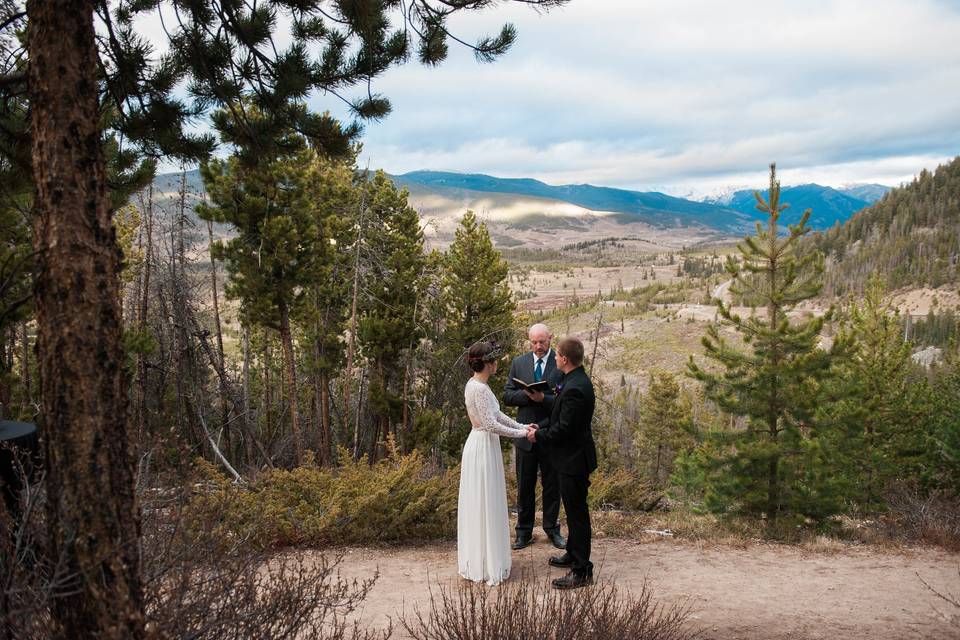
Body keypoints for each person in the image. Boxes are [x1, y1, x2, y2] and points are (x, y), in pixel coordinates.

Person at [458, 340, 538, 586]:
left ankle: (483, 557)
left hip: (483, 443)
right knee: (484, 500)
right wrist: (522, 434)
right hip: (482, 444)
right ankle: (485, 562)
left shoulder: (477, 384)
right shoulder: (479, 389)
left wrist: (522, 425)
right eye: (494, 360)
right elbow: (491, 424)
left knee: (485, 500)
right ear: (487, 363)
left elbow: (497, 415)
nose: (497, 363)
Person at [526, 337, 597, 589]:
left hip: (574, 460)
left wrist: (539, 435)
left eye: (557, 356)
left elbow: (565, 429)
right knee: (573, 510)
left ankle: (581, 571)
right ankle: (573, 554)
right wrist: (541, 425)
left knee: (578, 515)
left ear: (565, 360)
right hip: (569, 458)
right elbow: (558, 411)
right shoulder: (572, 380)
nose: (554, 358)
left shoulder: (577, 387)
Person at [502, 323, 565, 550]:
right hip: (524, 434)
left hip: (550, 433)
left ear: (551, 338)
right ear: (529, 341)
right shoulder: (519, 363)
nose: (538, 347)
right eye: (534, 343)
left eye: (542, 342)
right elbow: (507, 396)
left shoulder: (560, 364)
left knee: (552, 485)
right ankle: (523, 532)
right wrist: (528, 396)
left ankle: (552, 529)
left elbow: (562, 400)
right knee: (524, 485)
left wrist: (543, 400)